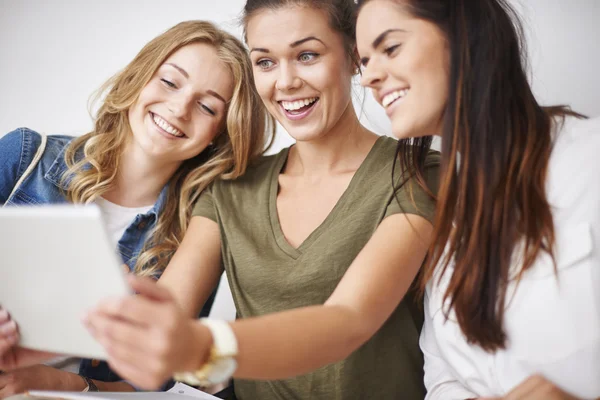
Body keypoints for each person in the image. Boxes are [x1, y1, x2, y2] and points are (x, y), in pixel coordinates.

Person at [61, 0, 439, 399]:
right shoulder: (231, 189)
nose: (286, 81)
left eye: (306, 55)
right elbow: (164, 313)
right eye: (265, 62)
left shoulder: (417, 172)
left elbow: (349, 321)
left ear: (353, 57)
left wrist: (201, 346)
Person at [0, 20, 273, 397]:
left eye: (207, 107)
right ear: (140, 78)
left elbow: (153, 382)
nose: (178, 109)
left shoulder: (195, 233)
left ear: (220, 135)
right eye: (170, 82)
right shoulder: (25, 158)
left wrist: (62, 382)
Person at [355, 0, 600, 399]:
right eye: (365, 60)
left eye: (391, 48)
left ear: (463, 36)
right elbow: (442, 373)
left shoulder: (591, 160)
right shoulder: (446, 210)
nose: (368, 78)